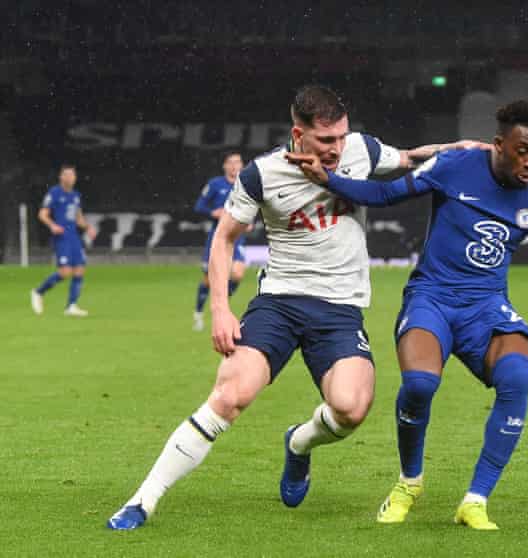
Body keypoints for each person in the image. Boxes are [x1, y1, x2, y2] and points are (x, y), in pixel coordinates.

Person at [107, 84, 483, 530]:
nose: (337, 149)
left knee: (351, 408)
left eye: (342, 137)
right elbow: (224, 238)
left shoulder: (360, 150)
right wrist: (222, 310)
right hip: (279, 303)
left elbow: (409, 157)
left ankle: (299, 445)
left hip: (341, 309)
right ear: (298, 133)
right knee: (230, 395)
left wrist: (455, 148)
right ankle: (142, 501)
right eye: (326, 140)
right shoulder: (261, 174)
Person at [286, 100, 528, 530]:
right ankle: (410, 482)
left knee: (518, 377)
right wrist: (330, 179)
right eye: (523, 151)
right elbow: (386, 194)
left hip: (486, 305)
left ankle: (475, 500)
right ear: (499, 144)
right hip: (432, 295)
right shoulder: (455, 166)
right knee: (420, 383)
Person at [30, 164, 97, 317]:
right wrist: (53, 225)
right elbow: (42, 214)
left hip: (74, 237)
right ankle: (38, 292)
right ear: (61, 177)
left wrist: (88, 228)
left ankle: (71, 306)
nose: (71, 178)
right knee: (65, 272)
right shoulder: (54, 193)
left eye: (73, 175)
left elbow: (78, 218)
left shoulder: (76, 195)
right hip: (62, 237)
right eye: (67, 175)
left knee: (80, 269)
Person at [192, 152, 246, 332]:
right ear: (225, 166)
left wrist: (251, 222)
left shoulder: (246, 183)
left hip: (237, 236)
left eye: (237, 162)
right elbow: (199, 206)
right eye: (230, 162)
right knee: (209, 279)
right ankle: (198, 313)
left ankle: (221, 303)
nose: (234, 166)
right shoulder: (215, 184)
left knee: (237, 274)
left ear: (242, 165)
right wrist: (213, 212)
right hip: (218, 237)